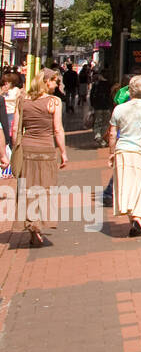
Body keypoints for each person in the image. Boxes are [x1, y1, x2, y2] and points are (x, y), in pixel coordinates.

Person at [10, 68, 69, 246]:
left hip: (27, 150)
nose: (56, 85)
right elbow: (58, 129)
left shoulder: (22, 100)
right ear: (46, 81)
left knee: (27, 189)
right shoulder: (54, 102)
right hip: (46, 150)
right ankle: (38, 225)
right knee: (44, 188)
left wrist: (15, 150)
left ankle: (31, 224)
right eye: (54, 81)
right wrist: (63, 152)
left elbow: (15, 130)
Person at [108, 75, 141, 237]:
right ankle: (137, 216)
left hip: (123, 151)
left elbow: (112, 133)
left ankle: (133, 217)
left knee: (125, 185)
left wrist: (111, 153)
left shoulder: (119, 109)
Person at [89, 70, 114, 147]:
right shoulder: (110, 85)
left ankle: (98, 135)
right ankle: (102, 138)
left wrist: (92, 105)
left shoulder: (96, 84)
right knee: (105, 123)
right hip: (107, 106)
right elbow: (112, 96)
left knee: (97, 121)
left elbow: (91, 95)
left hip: (97, 106)